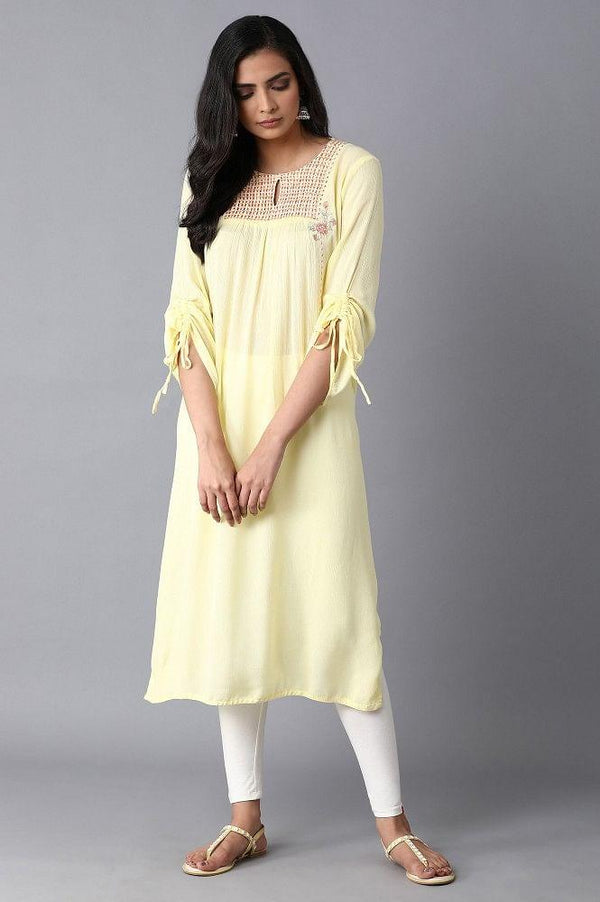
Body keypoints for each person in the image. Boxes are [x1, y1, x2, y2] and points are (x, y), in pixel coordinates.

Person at [144, 14, 455, 886]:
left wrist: (271, 445)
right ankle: (245, 819)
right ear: (225, 100)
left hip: (306, 431)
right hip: (217, 430)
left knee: (340, 615)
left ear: (302, 80)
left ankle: (395, 825)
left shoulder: (353, 172)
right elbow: (186, 321)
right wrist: (212, 447)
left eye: (277, 83)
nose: (265, 104)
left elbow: (342, 323)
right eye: (244, 92)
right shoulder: (206, 178)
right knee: (233, 618)